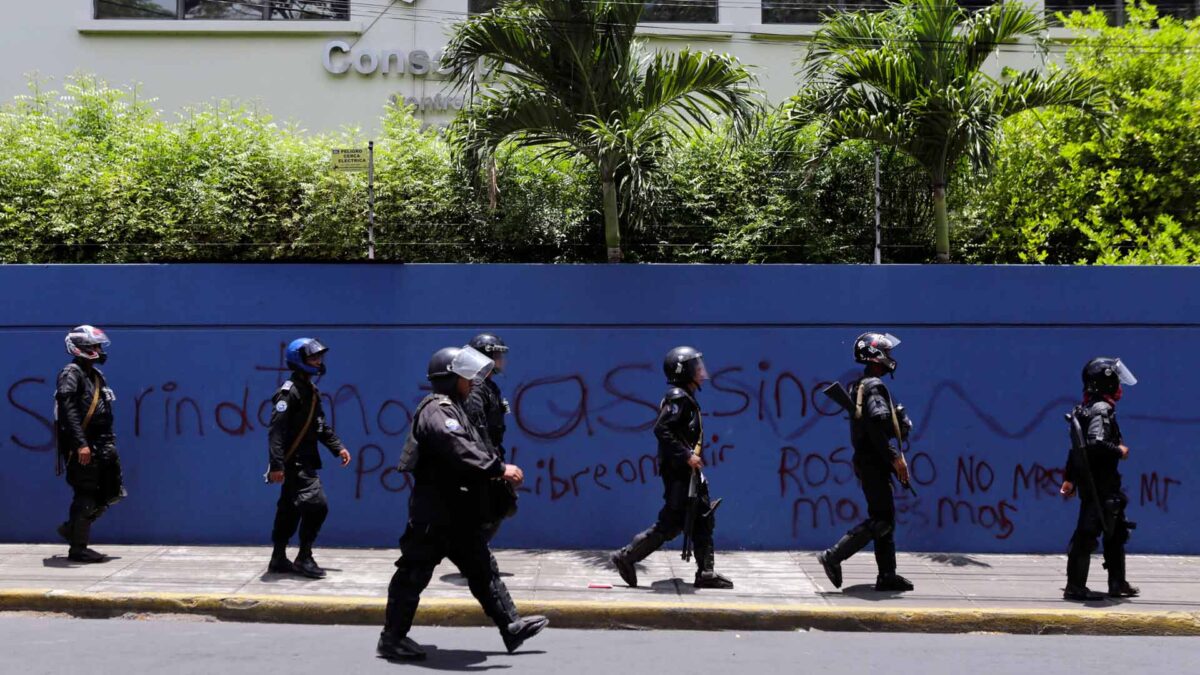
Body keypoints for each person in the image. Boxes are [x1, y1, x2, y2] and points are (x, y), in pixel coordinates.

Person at [377, 346, 547, 661]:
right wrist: (499, 468)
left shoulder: (456, 407)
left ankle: (512, 626)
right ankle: (392, 639)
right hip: (434, 514)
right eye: (465, 377)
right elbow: (456, 447)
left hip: (458, 512)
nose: (470, 382)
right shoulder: (437, 410)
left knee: (483, 569)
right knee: (413, 574)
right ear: (450, 378)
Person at [609, 346, 733, 590]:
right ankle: (626, 556)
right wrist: (687, 456)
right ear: (683, 370)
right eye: (695, 366)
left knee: (702, 518)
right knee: (671, 522)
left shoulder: (686, 397)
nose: (701, 369)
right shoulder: (678, 397)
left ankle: (706, 572)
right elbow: (661, 429)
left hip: (688, 472)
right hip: (679, 472)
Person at [817, 332, 915, 593]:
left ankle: (887, 575)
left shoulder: (860, 385)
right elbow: (876, 425)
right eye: (887, 353)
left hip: (869, 460)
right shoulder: (873, 387)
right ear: (875, 356)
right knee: (881, 519)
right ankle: (834, 555)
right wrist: (896, 457)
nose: (890, 358)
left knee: (885, 518)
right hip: (874, 460)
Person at [266, 338, 351, 579]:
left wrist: (337, 447)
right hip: (295, 463)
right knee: (317, 506)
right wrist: (276, 465)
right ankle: (304, 557)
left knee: (289, 509)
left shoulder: (310, 390)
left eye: (319, 357)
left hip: (304, 460)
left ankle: (278, 558)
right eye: (313, 357)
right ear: (298, 360)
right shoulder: (288, 393)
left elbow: (319, 425)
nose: (318, 361)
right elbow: (276, 430)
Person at [1061, 357, 1140, 601]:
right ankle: (1075, 585)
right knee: (1087, 533)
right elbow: (1096, 442)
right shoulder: (1101, 410)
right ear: (1104, 381)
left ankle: (1117, 583)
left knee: (1115, 533)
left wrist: (1070, 479)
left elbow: (1077, 450)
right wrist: (1119, 450)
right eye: (1115, 379)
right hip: (1101, 486)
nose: (1119, 385)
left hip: (1099, 484)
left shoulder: (1085, 408)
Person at [55, 325, 126, 563]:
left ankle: (72, 528)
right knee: (85, 493)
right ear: (80, 348)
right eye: (93, 346)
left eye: (98, 346)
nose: (98, 350)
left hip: (103, 444)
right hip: (85, 446)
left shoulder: (95, 375)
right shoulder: (71, 373)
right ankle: (78, 548)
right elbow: (68, 411)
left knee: (112, 492)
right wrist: (80, 444)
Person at [463, 333, 517, 540]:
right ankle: (477, 560)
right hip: (482, 461)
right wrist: (492, 464)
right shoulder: (476, 389)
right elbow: (477, 428)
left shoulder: (490, 387)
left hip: (491, 456)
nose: (501, 360)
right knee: (485, 513)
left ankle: (476, 557)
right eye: (496, 355)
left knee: (499, 507)